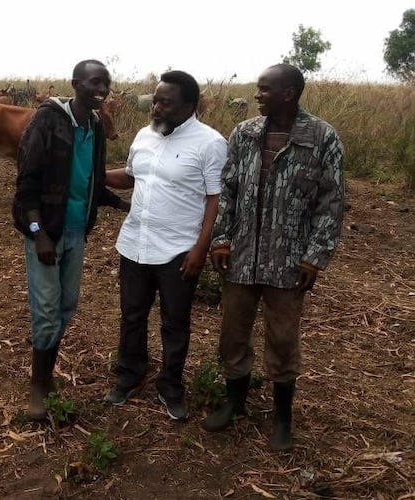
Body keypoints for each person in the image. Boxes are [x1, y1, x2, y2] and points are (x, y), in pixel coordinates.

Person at [201, 63, 344, 450]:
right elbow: (228, 190)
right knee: (233, 334)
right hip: (241, 258)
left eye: (264, 89)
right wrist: (221, 240)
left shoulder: (322, 138)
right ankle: (235, 404)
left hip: (289, 263)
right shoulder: (245, 133)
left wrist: (315, 257)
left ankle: (283, 419)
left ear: (289, 93)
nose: (257, 94)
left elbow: (331, 204)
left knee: (283, 339)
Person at [104, 70, 227, 421]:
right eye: (155, 100)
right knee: (132, 315)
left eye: (165, 102)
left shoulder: (210, 143)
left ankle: (171, 386)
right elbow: (130, 177)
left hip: (178, 250)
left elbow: (215, 199)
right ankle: (129, 374)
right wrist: (92, 173)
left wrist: (200, 250)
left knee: (175, 322)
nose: (155, 108)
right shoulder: (145, 135)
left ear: (189, 105)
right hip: (135, 243)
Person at [12, 59, 129, 421]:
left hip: (77, 230)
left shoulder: (93, 124)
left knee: (67, 306)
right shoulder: (47, 121)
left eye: (106, 83)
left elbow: (92, 179)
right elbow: (26, 186)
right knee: (47, 312)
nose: (101, 89)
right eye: (94, 81)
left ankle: (45, 376)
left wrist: (124, 205)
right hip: (46, 232)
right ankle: (37, 390)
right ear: (75, 82)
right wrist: (38, 234)